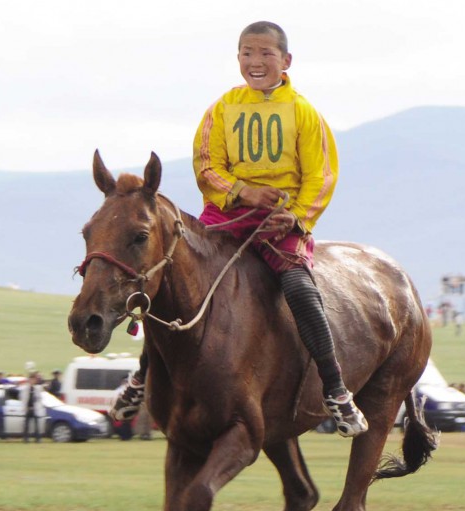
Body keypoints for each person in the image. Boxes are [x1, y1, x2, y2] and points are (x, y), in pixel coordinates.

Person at [114, 21, 366, 437]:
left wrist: (298, 217)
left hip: (281, 223)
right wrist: (244, 192)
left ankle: (336, 390)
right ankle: (142, 379)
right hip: (226, 218)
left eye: (266, 53)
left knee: (302, 292)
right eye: (247, 53)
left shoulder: (304, 113)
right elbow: (206, 165)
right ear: (238, 59)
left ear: (286, 61)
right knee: (170, 282)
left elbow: (321, 176)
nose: (256, 61)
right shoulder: (222, 108)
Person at [19, 373, 46, 443]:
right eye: (32, 379)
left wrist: (36, 405)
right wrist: (25, 407)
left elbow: (39, 398)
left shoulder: (36, 389)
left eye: (34, 380)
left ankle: (37, 439)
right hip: (27, 408)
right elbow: (23, 398)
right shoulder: (25, 389)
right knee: (26, 425)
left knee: (36, 425)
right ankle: (25, 439)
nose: (33, 381)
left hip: (34, 408)